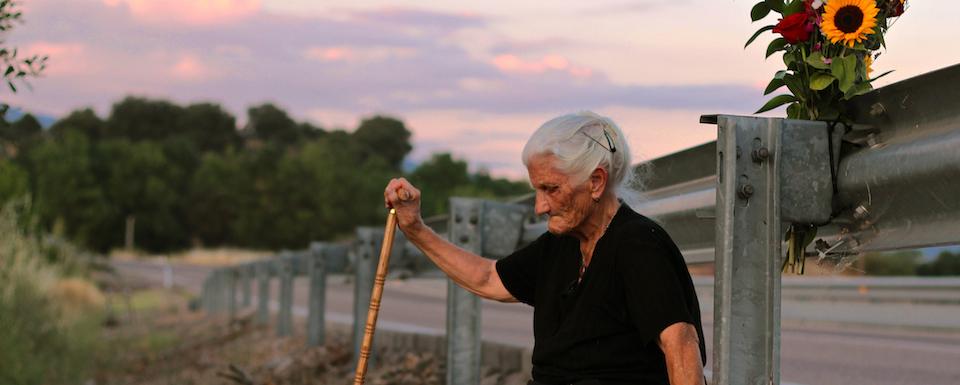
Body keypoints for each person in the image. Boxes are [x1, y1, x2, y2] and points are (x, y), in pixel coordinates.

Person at [383, 111, 706, 385]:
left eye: (551, 189)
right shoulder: (560, 243)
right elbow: (487, 278)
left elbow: (680, 345)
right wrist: (415, 229)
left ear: (595, 182)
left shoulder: (638, 243)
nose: (540, 206)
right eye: (537, 190)